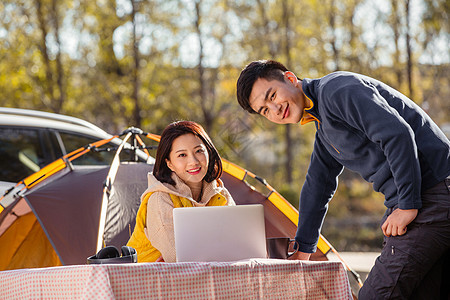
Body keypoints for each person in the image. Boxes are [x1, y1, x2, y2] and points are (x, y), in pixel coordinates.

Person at [236, 59, 450, 299]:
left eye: (272, 96)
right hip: (424, 198)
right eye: (265, 110)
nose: (274, 109)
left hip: (433, 192)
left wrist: (406, 204)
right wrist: (303, 250)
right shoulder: (324, 128)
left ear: (290, 78)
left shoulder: (337, 91)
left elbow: (397, 134)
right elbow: (317, 186)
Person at [127, 121, 235, 263]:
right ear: (169, 163)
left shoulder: (220, 194)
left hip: (198, 276)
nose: (194, 161)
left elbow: (236, 243)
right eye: (182, 155)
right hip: (145, 280)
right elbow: (176, 258)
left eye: (199, 151)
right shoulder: (160, 198)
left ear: (208, 152)